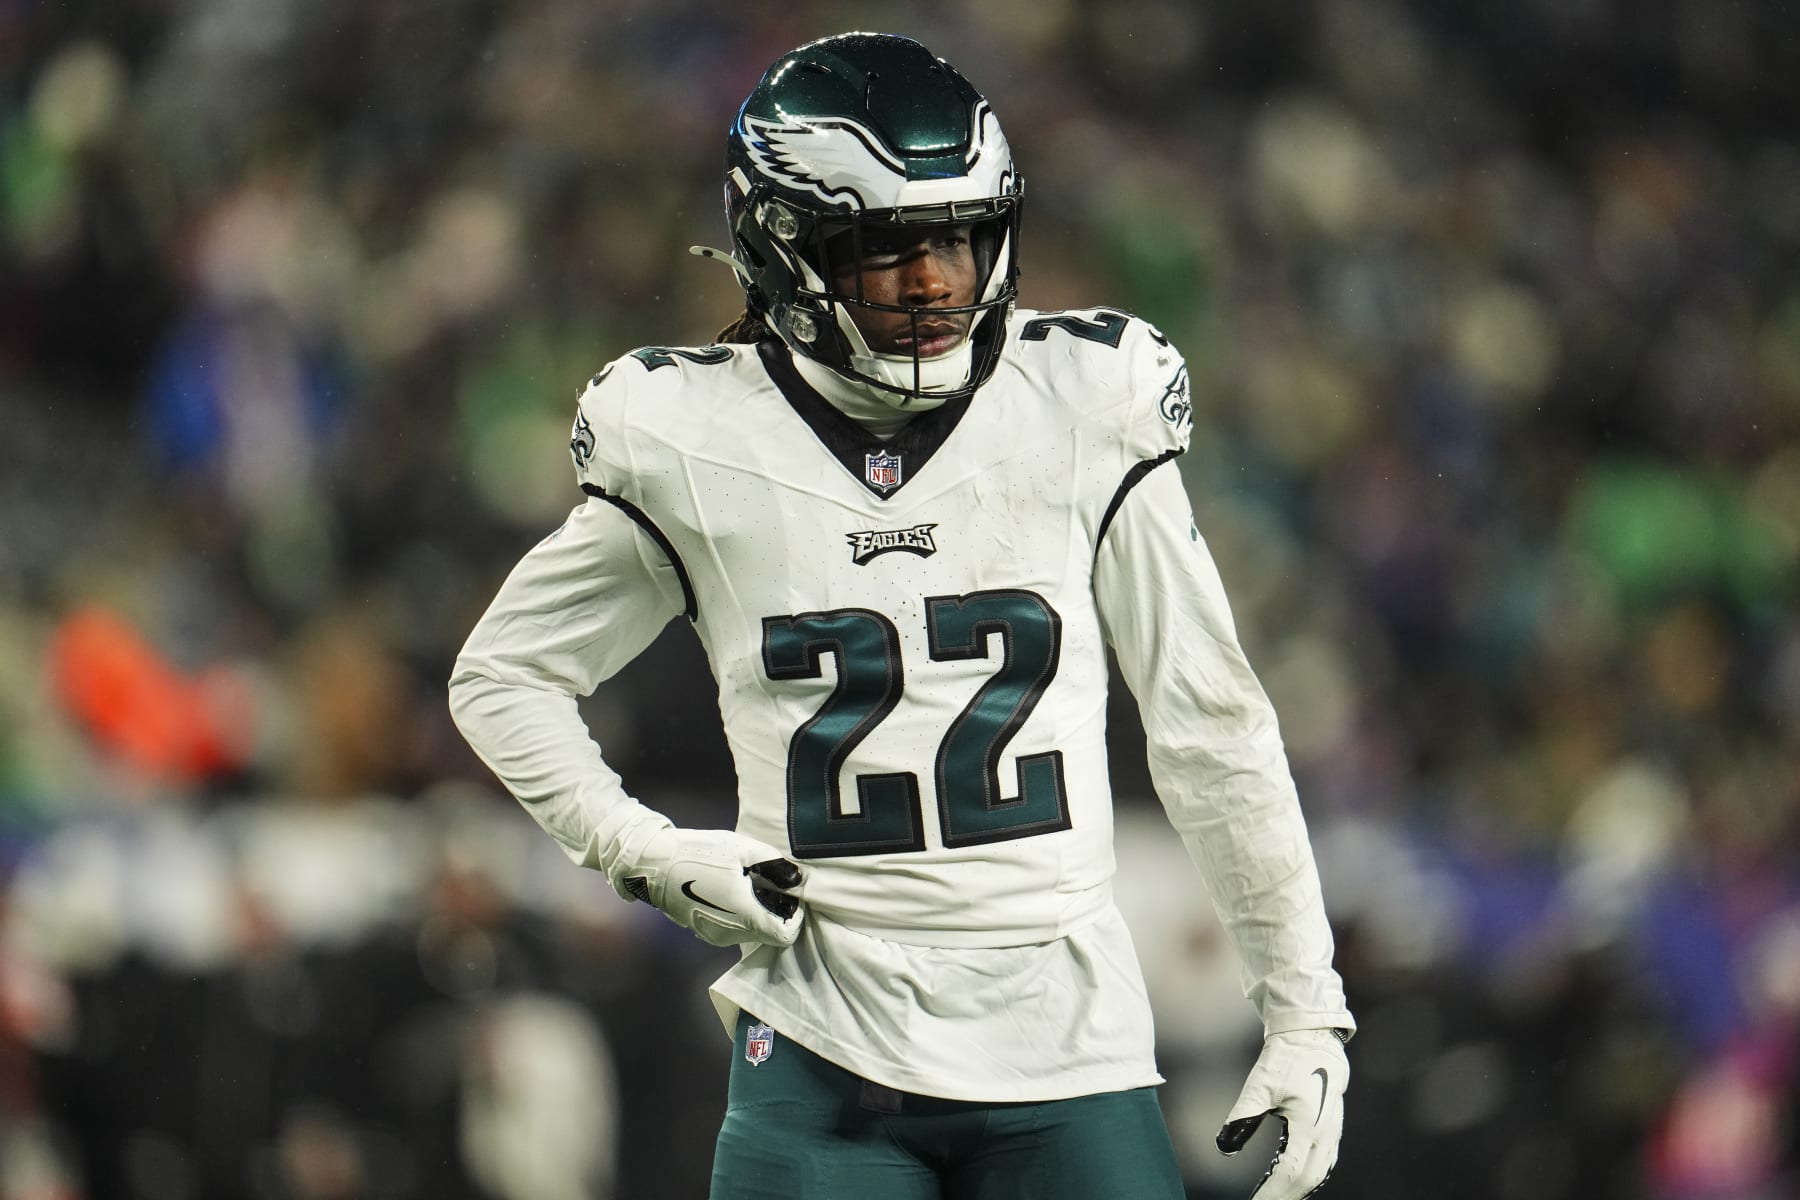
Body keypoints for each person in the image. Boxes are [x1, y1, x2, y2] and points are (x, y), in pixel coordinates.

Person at [449, 31, 1354, 1200]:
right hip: (824, 1055)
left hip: (1067, 1047)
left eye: (959, 240)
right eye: (889, 250)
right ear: (786, 249)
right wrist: (646, 854)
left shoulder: (1080, 408)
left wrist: (1303, 1006)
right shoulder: (693, 440)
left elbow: (1209, 725)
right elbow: (504, 677)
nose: (936, 281)